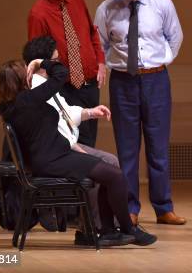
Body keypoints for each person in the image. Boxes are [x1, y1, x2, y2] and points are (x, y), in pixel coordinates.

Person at [0, 55, 157, 247]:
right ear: (21, 78)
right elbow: (61, 73)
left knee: (109, 175)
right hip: (54, 160)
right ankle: (128, 230)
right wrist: (39, 63)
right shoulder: (29, 99)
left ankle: (108, 231)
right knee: (115, 176)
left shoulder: (9, 105)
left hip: (54, 156)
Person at [94, 0, 185, 226]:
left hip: (156, 80)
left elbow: (175, 37)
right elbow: (100, 44)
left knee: (158, 147)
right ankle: (130, 208)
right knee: (127, 149)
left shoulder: (162, 3)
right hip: (123, 82)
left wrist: (159, 61)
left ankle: (163, 207)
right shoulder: (107, 8)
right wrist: (118, 63)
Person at [22, 36, 120, 238]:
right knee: (106, 164)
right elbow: (56, 130)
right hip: (58, 153)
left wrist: (91, 112)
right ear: (43, 64)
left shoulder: (46, 85)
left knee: (110, 162)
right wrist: (79, 151)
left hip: (64, 147)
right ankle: (96, 228)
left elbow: (66, 112)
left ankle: (103, 226)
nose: (58, 64)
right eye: (55, 60)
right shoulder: (37, 89)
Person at [28, 0, 106, 148]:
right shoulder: (38, 14)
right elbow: (37, 57)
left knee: (89, 143)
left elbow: (91, 31)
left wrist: (101, 63)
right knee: (70, 143)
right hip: (65, 88)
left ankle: (87, 178)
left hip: (89, 85)